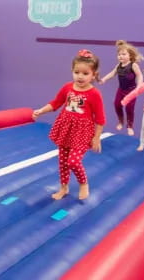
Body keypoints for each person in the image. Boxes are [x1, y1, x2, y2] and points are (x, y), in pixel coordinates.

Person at [33, 49, 105, 200]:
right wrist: (41, 110)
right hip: (66, 128)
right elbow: (56, 103)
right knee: (63, 161)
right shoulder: (67, 87)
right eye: (77, 72)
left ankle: (83, 183)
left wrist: (96, 138)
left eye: (85, 73)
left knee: (73, 161)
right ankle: (64, 187)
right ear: (72, 71)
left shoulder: (94, 94)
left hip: (82, 131)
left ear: (93, 75)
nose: (80, 76)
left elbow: (100, 118)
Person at [100, 40, 143, 136]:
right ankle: (121, 121)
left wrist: (139, 86)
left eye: (124, 54)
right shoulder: (118, 65)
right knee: (117, 105)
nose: (121, 56)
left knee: (129, 108)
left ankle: (130, 126)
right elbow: (112, 73)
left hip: (131, 91)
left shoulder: (133, 65)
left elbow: (139, 75)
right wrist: (104, 79)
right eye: (119, 54)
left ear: (130, 56)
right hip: (121, 90)